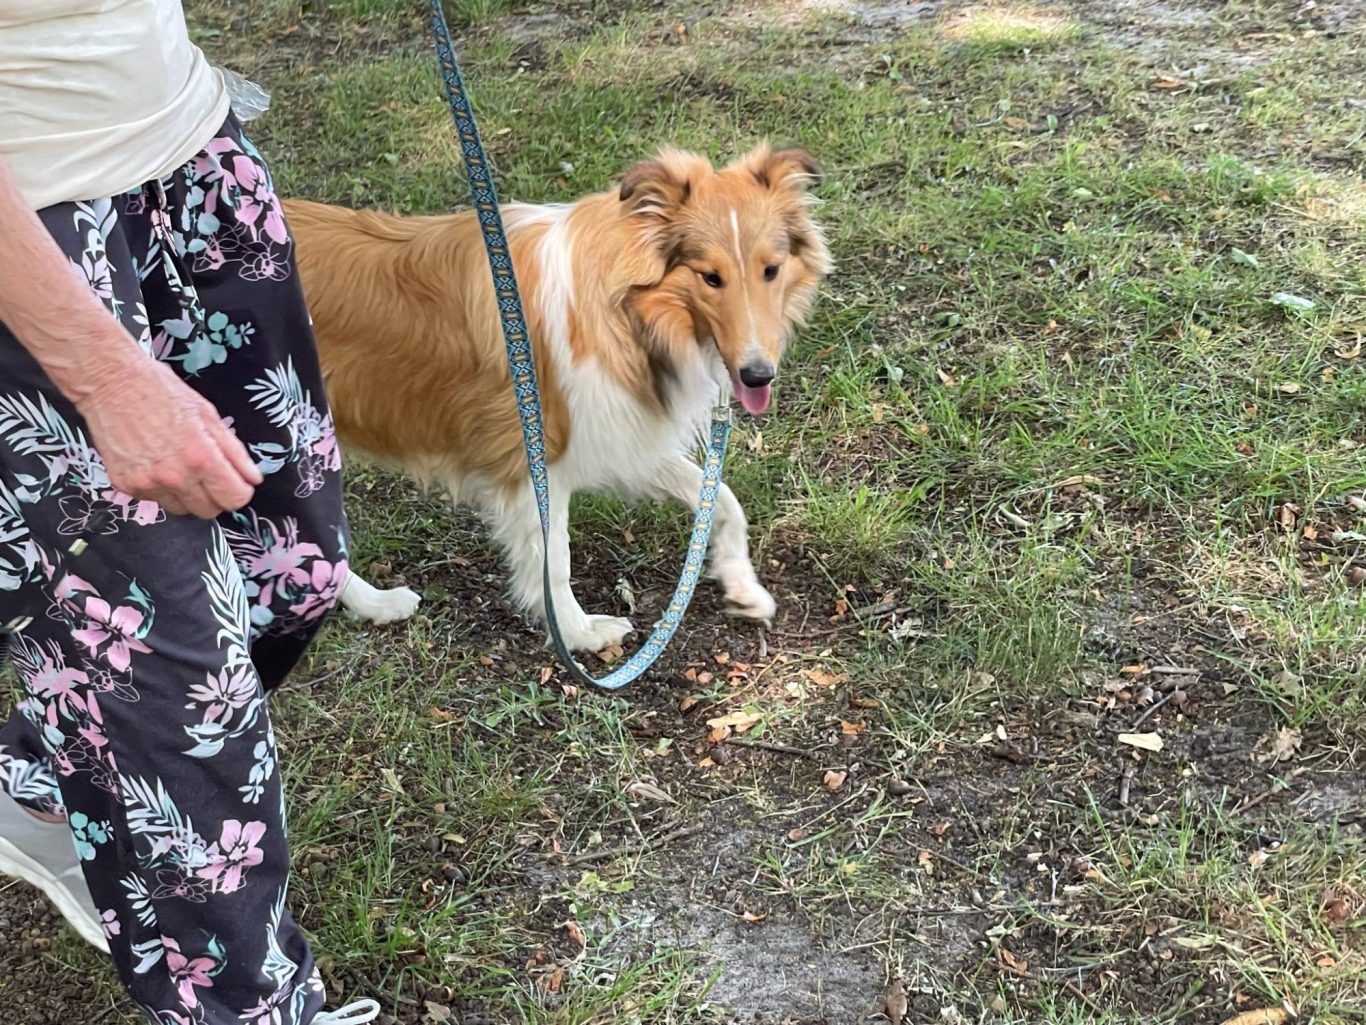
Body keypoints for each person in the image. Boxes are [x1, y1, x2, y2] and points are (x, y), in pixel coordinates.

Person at [0, 2, 379, 1023]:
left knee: (289, 564)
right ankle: (247, 1005)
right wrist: (105, 378)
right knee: (172, 666)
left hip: (181, 162)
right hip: (29, 236)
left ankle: (41, 780)